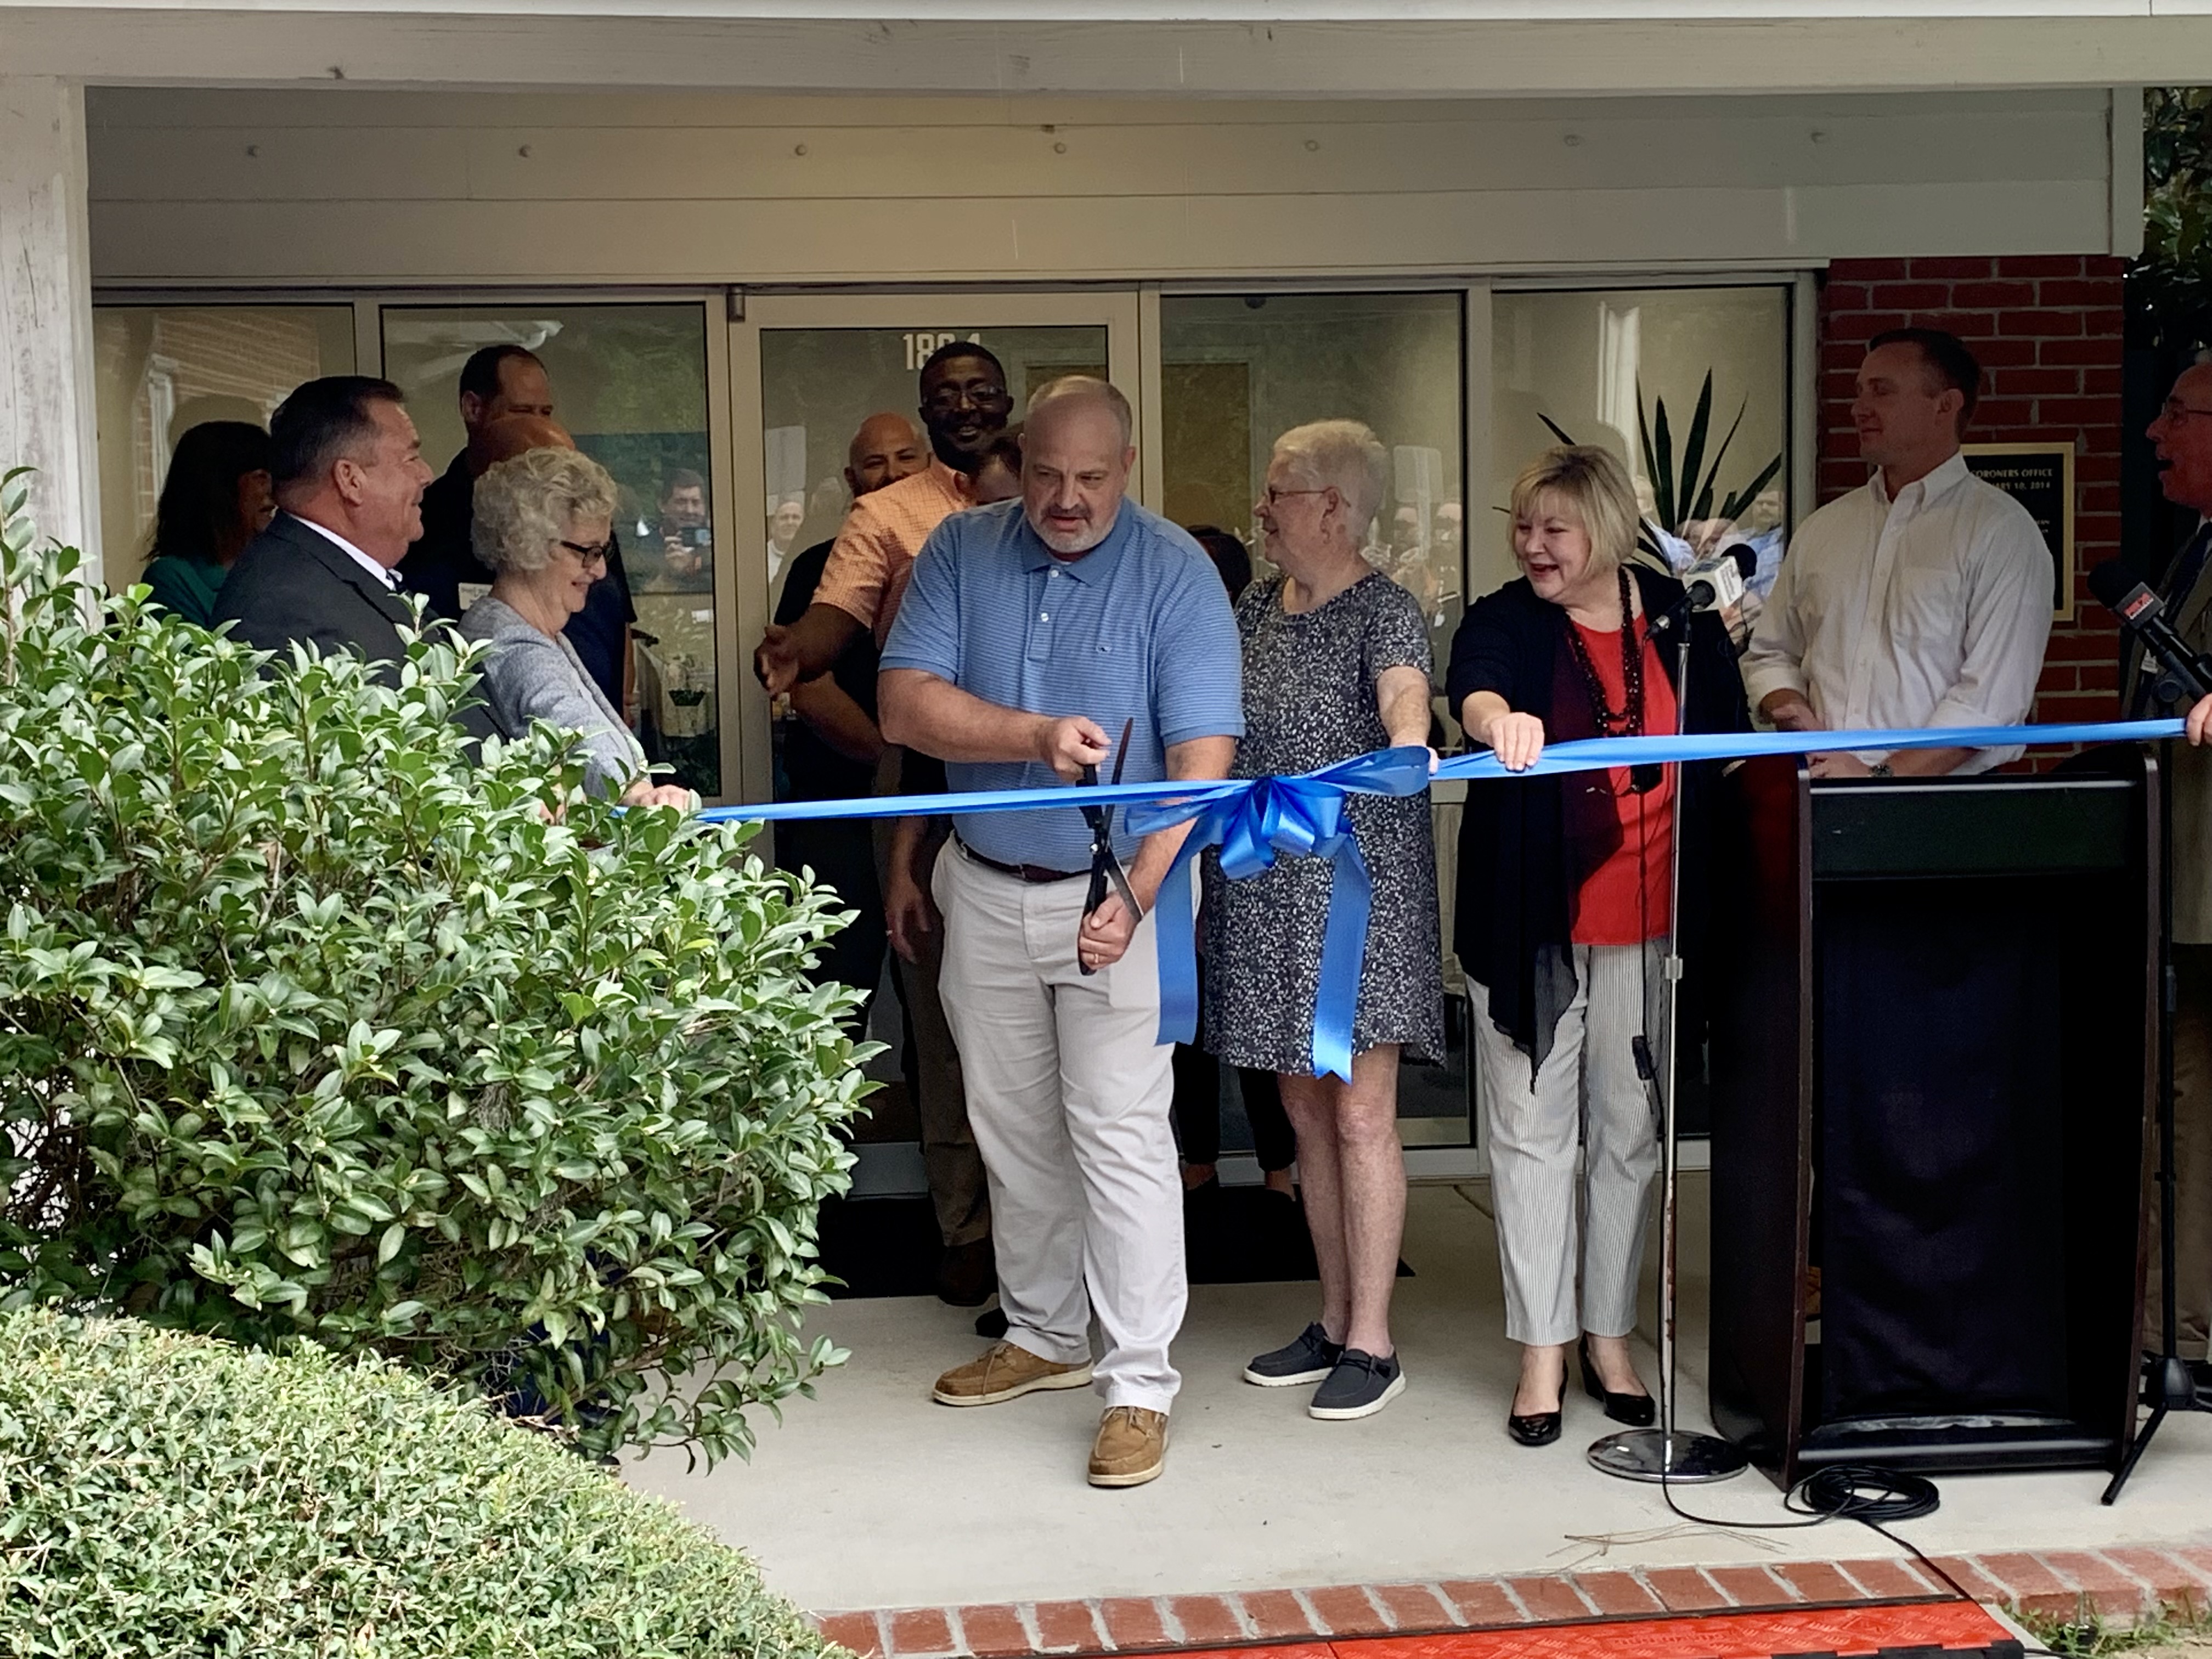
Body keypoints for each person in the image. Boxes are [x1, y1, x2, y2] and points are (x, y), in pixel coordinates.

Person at [879, 376, 1243, 1489]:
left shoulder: (1176, 568)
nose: (1066, 498)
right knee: (1013, 1126)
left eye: (1091, 478)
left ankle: (1137, 1383)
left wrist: (1134, 892)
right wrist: (1034, 735)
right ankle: (1043, 1335)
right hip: (984, 880)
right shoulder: (959, 550)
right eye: (1046, 474)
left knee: (1122, 1134)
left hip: (1121, 887)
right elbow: (902, 703)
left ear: (1126, 469)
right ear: (1018, 458)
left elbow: (1203, 758)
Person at [1446, 445, 1749, 1448]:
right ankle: (1541, 1349)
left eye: (1555, 528)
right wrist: (1501, 724)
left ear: (1606, 531)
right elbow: (1473, 687)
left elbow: (1727, 740)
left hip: (1656, 922)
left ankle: (1608, 1335)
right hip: (1534, 919)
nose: (1533, 545)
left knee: (1626, 1130)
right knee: (1535, 1136)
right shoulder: (1504, 616)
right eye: (1523, 525)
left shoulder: (1680, 615)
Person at [754, 342, 1018, 1308]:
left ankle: (1049, 1232)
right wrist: (795, 651)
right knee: (945, 1025)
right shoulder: (888, 520)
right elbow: (835, 617)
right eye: (945, 393)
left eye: (979, 390)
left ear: (1007, 402)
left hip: (1062, 803)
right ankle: (968, 1228)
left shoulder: (1058, 495)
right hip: (928, 798)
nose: (965, 405)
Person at [1205, 425, 1441, 1421]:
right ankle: (1336, 1314)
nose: (1261, 509)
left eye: (1278, 492)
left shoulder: (1385, 608)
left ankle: (1375, 1338)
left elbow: (1405, 695)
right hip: (1266, 889)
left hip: (1359, 894)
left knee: (1357, 1112)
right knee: (1303, 1118)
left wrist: (1409, 740)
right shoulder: (1254, 605)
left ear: (1334, 505)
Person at [1742, 327, 2052, 776]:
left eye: (1881, 392)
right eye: (1859, 392)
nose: (1859, 409)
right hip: (1822, 790)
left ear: (1945, 405)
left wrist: (1879, 778)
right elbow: (1771, 653)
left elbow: (1991, 703)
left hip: (1941, 807)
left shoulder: (2002, 533)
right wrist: (1792, 711)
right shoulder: (1824, 528)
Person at [212, 376, 501, 744]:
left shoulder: (325, 576)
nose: (427, 474)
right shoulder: (285, 610)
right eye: (410, 457)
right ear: (350, 479)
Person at [772, 413, 930, 1017]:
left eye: (904, 458)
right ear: (850, 478)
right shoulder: (817, 565)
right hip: (837, 806)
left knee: (935, 1002)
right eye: (874, 463)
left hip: (929, 812)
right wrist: (892, 757)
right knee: (833, 998)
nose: (891, 473)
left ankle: (931, 1116)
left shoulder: (946, 554)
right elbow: (808, 687)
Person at [399, 344, 639, 715]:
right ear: (473, 408)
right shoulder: (426, 519)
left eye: (546, 412)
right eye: (522, 411)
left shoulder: (581, 508)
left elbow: (615, 610)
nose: (538, 424)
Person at [1171, 524, 1295, 1199]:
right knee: (1188, 1021)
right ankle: (1199, 1162)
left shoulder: (1260, 653)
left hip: (1253, 857)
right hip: (1180, 853)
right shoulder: (1168, 648)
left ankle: (1279, 1168)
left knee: (1254, 1023)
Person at [460, 446, 689, 809]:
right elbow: (570, 725)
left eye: (602, 553)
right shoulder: (515, 645)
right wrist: (641, 796)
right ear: (529, 544)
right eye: (589, 551)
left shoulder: (526, 629)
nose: (599, 571)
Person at [2151, 361, 2212, 1384]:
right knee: (2181, 1101)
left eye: (2176, 413)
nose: (2154, 431)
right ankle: (2175, 1329)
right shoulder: (2193, 546)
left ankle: (2191, 1337)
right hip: (2180, 887)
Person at [139, 420, 275, 627]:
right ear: (221, 490)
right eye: (261, 478)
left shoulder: (274, 564)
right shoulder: (171, 579)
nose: (274, 492)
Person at [637, 469, 713, 592]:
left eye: (696, 502)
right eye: (681, 502)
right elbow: (641, 602)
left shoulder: (719, 549)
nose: (689, 510)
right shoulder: (643, 551)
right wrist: (669, 575)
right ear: (662, 505)